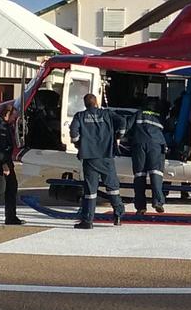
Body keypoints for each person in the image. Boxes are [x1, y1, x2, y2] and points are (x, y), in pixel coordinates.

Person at [68, 93, 128, 229]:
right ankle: (118, 214)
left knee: (90, 191)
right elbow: (123, 121)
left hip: (89, 158)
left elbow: (73, 133)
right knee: (112, 187)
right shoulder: (107, 114)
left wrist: (78, 144)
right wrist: (119, 135)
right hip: (106, 156)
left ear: (85, 104)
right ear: (96, 102)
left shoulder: (80, 116)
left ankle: (88, 220)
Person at [127, 97, 168, 215]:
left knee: (140, 175)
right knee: (156, 173)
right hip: (156, 145)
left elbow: (127, 127)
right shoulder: (160, 117)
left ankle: (141, 207)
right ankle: (158, 202)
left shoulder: (138, 114)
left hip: (139, 145)